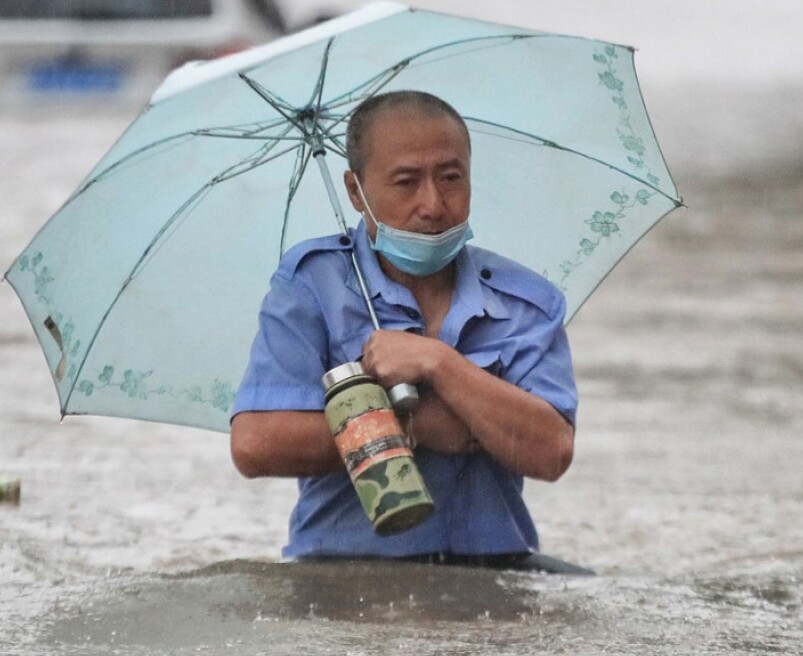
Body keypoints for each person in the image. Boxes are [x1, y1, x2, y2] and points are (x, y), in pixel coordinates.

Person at [229, 90, 585, 573]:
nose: (433, 205)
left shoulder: (527, 302)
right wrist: (417, 425)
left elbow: (552, 453)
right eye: (406, 182)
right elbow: (256, 444)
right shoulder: (312, 286)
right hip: (343, 568)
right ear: (356, 191)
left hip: (497, 568)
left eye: (451, 178)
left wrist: (440, 365)